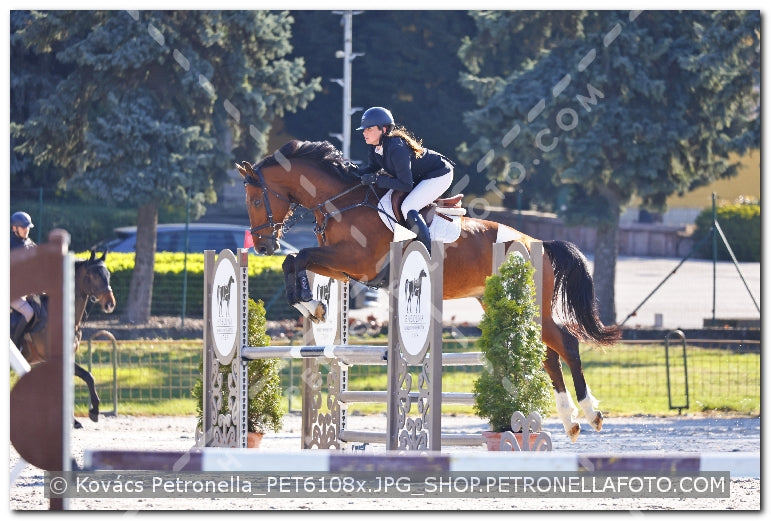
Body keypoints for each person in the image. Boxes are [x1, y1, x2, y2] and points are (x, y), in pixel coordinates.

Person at [355, 106, 454, 252]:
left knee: (408, 207)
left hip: (439, 174)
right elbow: (370, 169)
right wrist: (349, 171)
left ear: (384, 129)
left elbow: (406, 185)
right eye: (363, 129)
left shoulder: (396, 148)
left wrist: (376, 179)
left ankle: (428, 253)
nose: (364, 132)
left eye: (369, 129)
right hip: (421, 176)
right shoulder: (375, 147)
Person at [10, 211, 37, 348]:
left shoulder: (28, 242)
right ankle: (14, 345)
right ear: (14, 228)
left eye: (28, 227)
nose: (27, 230)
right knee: (29, 312)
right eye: (23, 227)